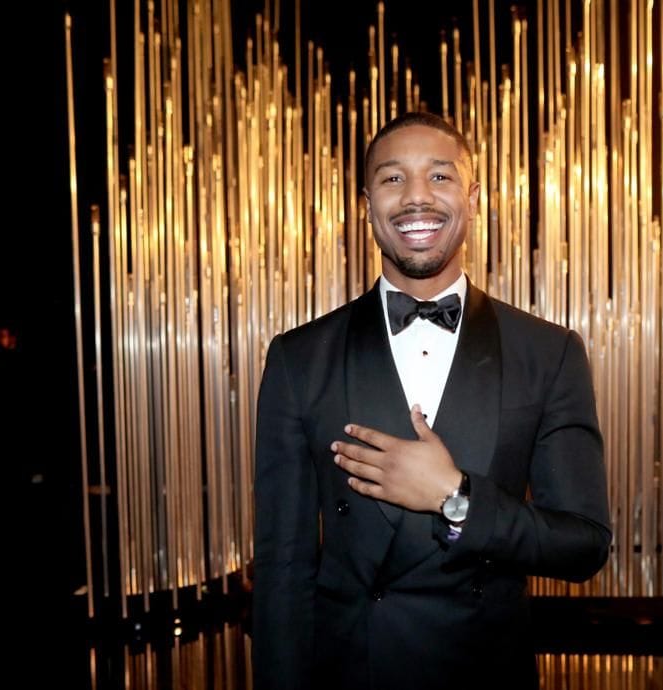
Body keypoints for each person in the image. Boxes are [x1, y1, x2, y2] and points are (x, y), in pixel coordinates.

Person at [251, 112, 611, 690]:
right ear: (367, 204)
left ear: (473, 199)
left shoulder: (550, 353)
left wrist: (455, 498)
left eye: (439, 177)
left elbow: (584, 545)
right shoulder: (299, 358)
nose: (416, 198)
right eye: (393, 180)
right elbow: (282, 569)